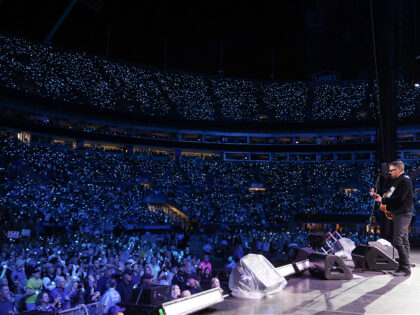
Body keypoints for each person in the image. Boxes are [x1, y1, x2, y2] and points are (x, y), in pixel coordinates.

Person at [373, 161, 413, 276]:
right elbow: (390, 195)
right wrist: (382, 198)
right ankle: (405, 264)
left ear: (398, 170)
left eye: (391, 171)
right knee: (404, 240)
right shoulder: (397, 181)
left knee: (397, 241)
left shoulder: (405, 180)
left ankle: (405, 268)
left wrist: (383, 200)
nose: (390, 173)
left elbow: (400, 198)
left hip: (403, 214)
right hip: (398, 213)